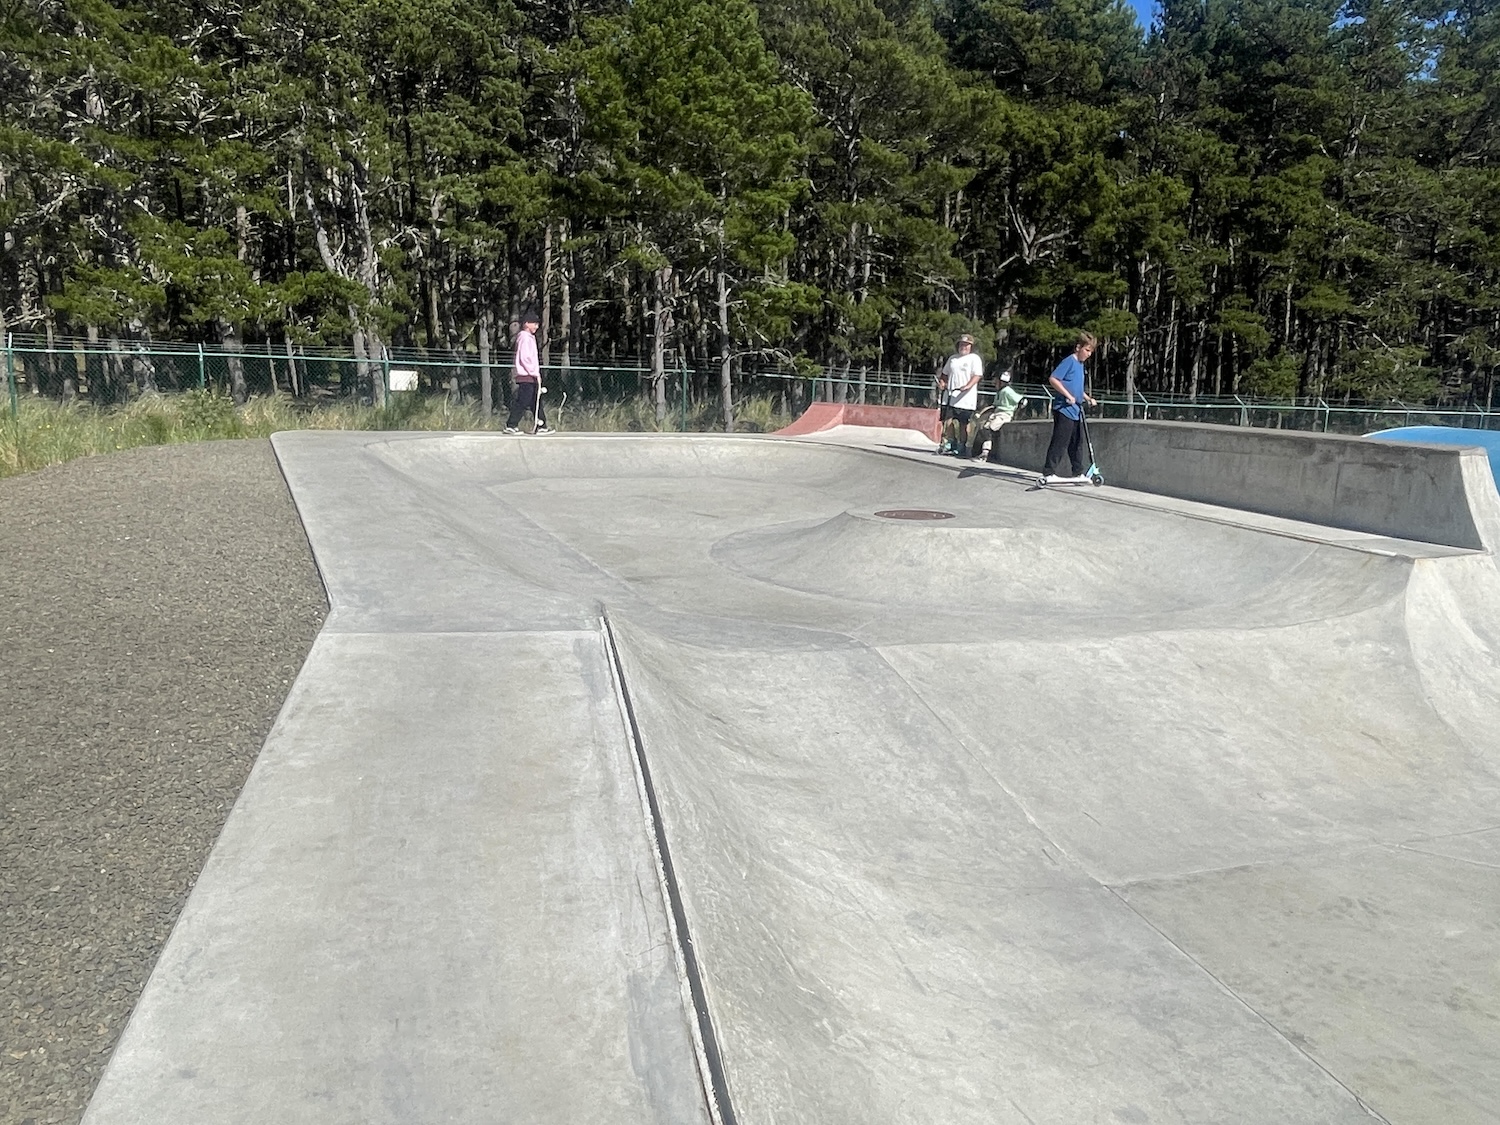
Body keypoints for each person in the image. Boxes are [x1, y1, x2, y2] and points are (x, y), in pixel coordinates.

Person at [1041, 332, 1098, 481]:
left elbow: (1077, 387)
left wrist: (1087, 398)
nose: (1089, 354)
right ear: (1078, 347)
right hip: (1064, 408)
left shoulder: (1080, 365)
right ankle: (1049, 472)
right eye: (1087, 350)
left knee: (1076, 442)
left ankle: (1078, 472)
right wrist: (1067, 395)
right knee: (1061, 441)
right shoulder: (1069, 361)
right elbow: (1054, 379)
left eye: (1091, 351)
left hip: (1076, 410)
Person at [504, 311, 550, 434]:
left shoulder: (530, 338)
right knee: (523, 400)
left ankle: (541, 425)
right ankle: (511, 425)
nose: (536, 326)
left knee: (536, 400)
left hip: (532, 375)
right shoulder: (524, 337)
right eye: (534, 324)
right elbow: (525, 358)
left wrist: (536, 373)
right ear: (526, 324)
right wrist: (534, 372)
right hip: (526, 375)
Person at [937, 333, 983, 455]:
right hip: (950, 395)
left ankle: (962, 445)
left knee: (963, 423)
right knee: (948, 421)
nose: (964, 347)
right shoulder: (953, 359)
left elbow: (977, 375)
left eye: (967, 345)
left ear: (971, 346)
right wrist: (942, 383)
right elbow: (945, 374)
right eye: (962, 344)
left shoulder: (974, 359)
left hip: (966, 398)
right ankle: (950, 442)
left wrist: (967, 386)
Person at [971, 370, 1026, 461]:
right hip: (997, 414)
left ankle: (985, 454)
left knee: (988, 429)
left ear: (1001, 382)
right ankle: (980, 453)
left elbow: (1022, 400)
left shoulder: (1007, 391)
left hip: (1004, 415)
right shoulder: (1000, 392)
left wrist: (1016, 411)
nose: (994, 383)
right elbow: (995, 406)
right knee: (983, 429)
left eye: (996, 381)